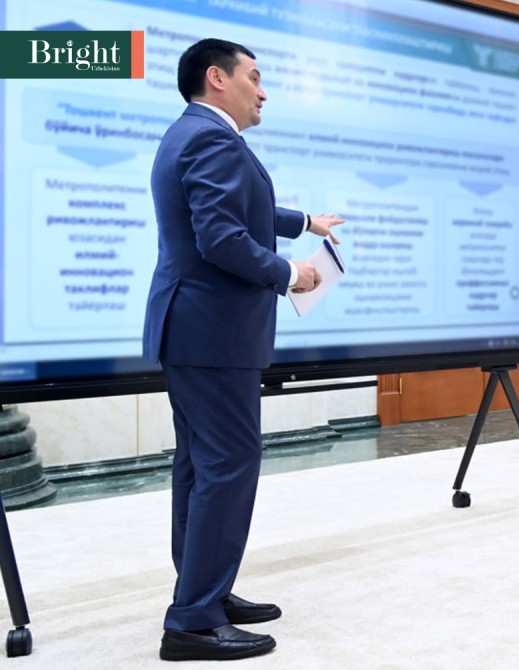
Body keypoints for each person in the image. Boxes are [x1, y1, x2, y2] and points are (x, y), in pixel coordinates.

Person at [143, 38, 344, 661]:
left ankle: (202, 591)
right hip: (213, 334)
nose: (263, 91)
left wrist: (303, 222)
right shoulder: (213, 140)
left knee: (201, 466)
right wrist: (290, 273)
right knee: (228, 465)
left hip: (193, 332)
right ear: (217, 78)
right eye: (254, 77)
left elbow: (243, 206)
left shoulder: (191, 133)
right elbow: (222, 238)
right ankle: (193, 622)